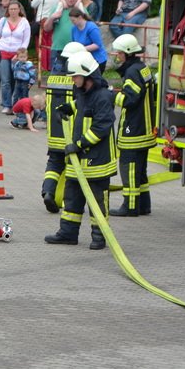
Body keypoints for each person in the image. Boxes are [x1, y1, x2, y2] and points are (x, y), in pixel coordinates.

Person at [44, 51, 116, 250]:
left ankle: (99, 237)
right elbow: (82, 105)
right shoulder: (84, 93)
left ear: (87, 75)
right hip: (78, 160)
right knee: (72, 197)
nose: (73, 80)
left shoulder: (103, 97)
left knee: (97, 201)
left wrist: (79, 144)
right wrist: (68, 107)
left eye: (75, 76)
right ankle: (67, 233)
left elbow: (102, 127)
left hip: (96, 161)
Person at [109, 34, 157, 217]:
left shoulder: (132, 72)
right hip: (145, 128)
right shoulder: (142, 67)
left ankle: (129, 206)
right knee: (140, 170)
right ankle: (144, 205)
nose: (117, 55)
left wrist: (112, 95)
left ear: (127, 53)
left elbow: (130, 100)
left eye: (119, 52)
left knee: (128, 167)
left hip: (134, 129)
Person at [42, 41, 87, 213]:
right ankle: (68, 201)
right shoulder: (75, 79)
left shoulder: (52, 78)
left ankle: (48, 191)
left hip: (54, 132)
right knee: (71, 167)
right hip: (70, 132)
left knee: (53, 164)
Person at [0, 1, 31, 114]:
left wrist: (19, 53)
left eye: (15, 9)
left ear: (19, 10)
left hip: (17, 54)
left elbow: (26, 40)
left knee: (16, 80)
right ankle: (6, 104)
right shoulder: (3, 20)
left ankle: (15, 105)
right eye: (11, 9)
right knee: (5, 81)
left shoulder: (24, 22)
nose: (13, 11)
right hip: (3, 52)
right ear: (8, 11)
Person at [70, 8, 107, 73]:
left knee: (94, 82)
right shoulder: (74, 29)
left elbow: (97, 45)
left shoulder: (92, 27)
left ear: (80, 17)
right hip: (84, 60)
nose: (72, 22)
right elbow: (74, 44)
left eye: (73, 20)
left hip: (97, 60)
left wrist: (80, 49)